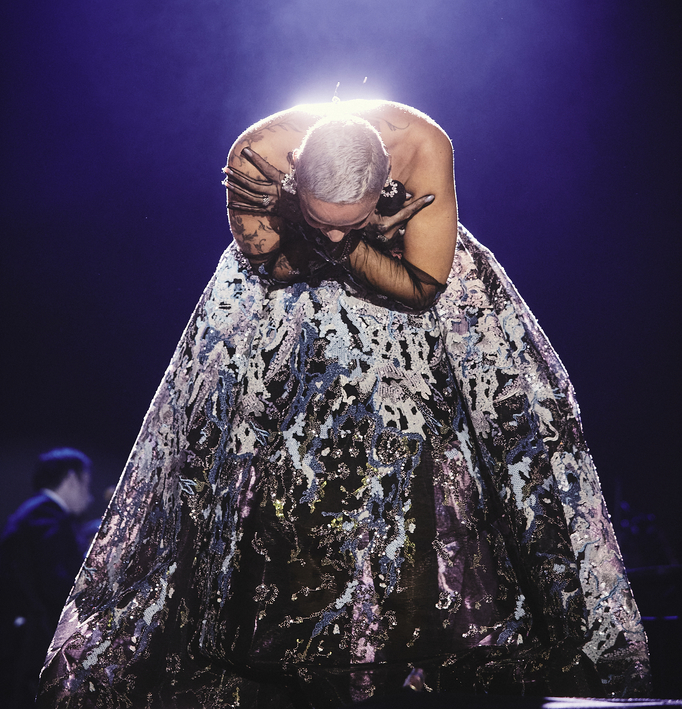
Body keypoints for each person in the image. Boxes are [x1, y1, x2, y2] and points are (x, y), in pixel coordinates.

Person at [37, 100, 649, 707]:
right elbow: (270, 266)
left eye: (348, 220)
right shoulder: (257, 155)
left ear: (387, 181)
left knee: (464, 452)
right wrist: (360, 243)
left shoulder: (423, 145)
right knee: (262, 470)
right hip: (283, 309)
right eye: (318, 217)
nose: (333, 231)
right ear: (293, 175)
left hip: (416, 310)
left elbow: (423, 287)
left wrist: (350, 250)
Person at [0, 448, 92, 709]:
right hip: (27, 642)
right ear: (72, 479)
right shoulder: (47, 516)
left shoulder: (35, 512)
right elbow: (57, 584)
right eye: (87, 482)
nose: (90, 494)